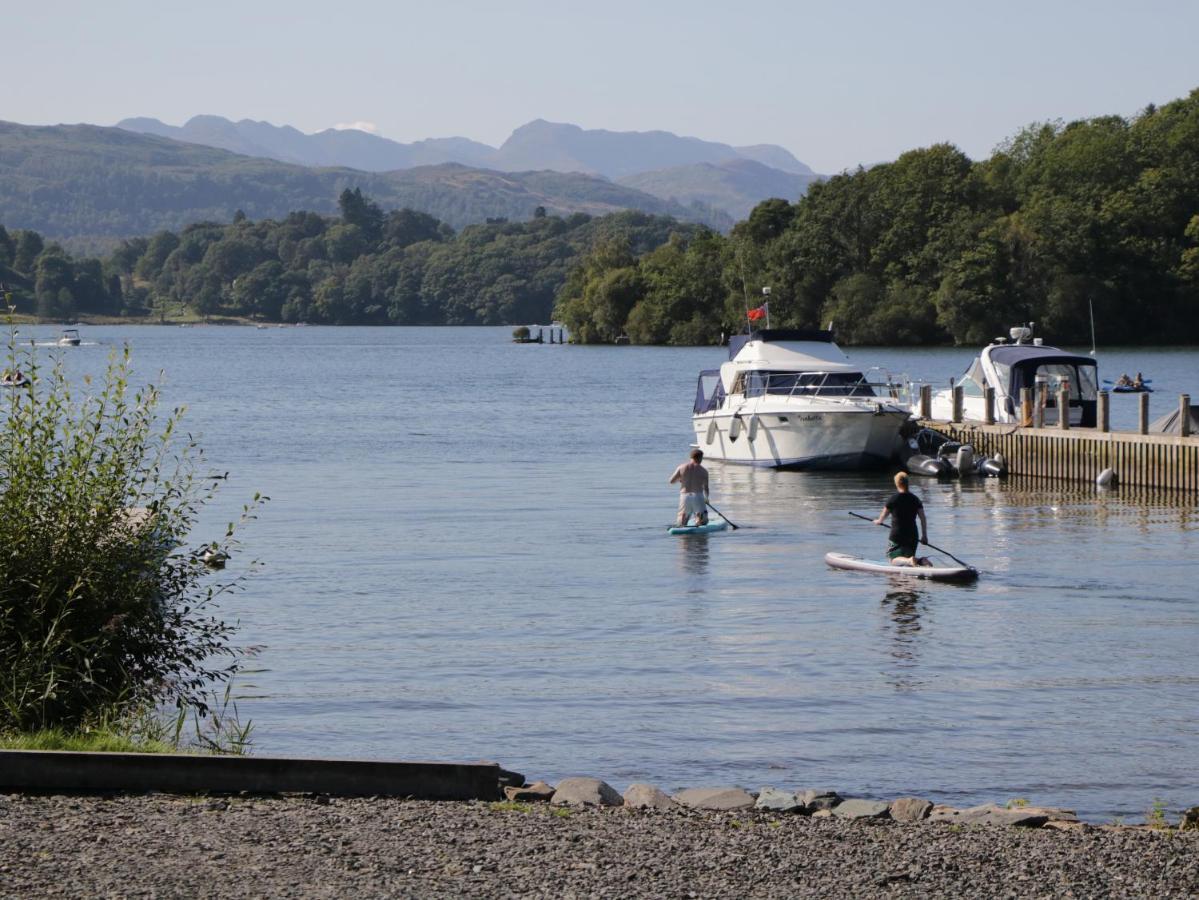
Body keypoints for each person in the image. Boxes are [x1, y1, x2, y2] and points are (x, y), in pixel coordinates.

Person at [874, 471, 928, 566]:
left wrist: (878, 521)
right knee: (908, 559)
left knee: (893, 560)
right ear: (907, 483)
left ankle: (909, 560)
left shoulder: (893, 499)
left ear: (897, 484)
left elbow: (882, 517)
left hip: (897, 535)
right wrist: (924, 536)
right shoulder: (916, 499)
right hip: (912, 535)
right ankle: (922, 561)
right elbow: (923, 518)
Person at [669, 448, 709, 527]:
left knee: (682, 521)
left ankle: (683, 533)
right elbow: (706, 488)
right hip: (697, 496)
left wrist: (680, 479)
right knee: (702, 521)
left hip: (684, 496)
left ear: (691, 457)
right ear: (700, 458)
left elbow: (671, 481)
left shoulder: (681, 467)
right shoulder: (703, 471)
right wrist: (706, 498)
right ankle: (698, 522)